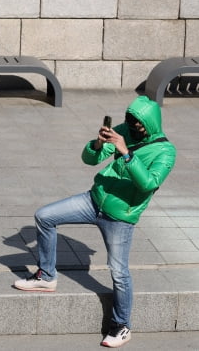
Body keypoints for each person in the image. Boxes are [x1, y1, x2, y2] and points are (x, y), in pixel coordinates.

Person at [13, 96, 176, 348]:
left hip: (121, 216)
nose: (133, 128)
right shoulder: (123, 130)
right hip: (93, 200)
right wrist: (98, 143)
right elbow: (89, 160)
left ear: (150, 124)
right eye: (130, 123)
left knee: (119, 273)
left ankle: (122, 325)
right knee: (44, 216)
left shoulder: (166, 151)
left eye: (139, 125)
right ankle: (46, 276)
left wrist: (126, 152)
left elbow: (148, 184)